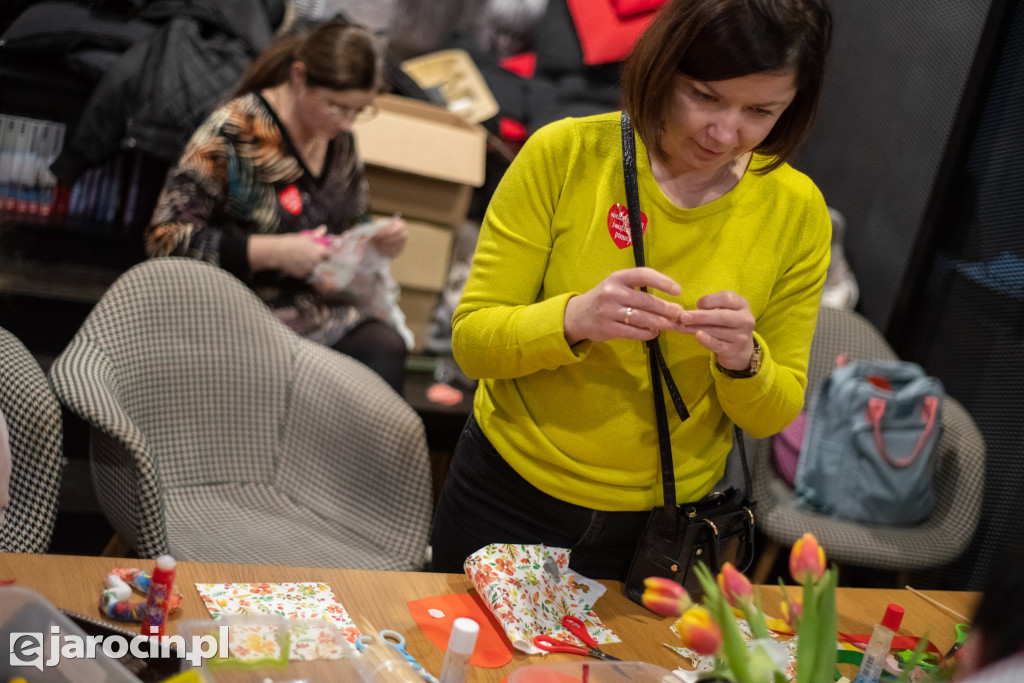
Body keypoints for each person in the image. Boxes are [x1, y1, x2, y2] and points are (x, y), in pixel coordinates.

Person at [430, 0, 834, 577]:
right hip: (509, 497)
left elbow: (772, 414)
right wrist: (573, 318)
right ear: (663, 66)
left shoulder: (797, 212)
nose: (725, 133)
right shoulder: (565, 155)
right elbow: (472, 343)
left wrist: (745, 361)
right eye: (705, 96)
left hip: (662, 528)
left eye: (760, 111)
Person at [145, 19, 410, 394]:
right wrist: (272, 252)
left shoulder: (338, 140)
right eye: (337, 107)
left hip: (309, 308)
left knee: (385, 348)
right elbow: (164, 239)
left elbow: (351, 218)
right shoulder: (235, 129)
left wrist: (373, 240)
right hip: (232, 308)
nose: (348, 123)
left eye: (359, 111)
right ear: (299, 77)